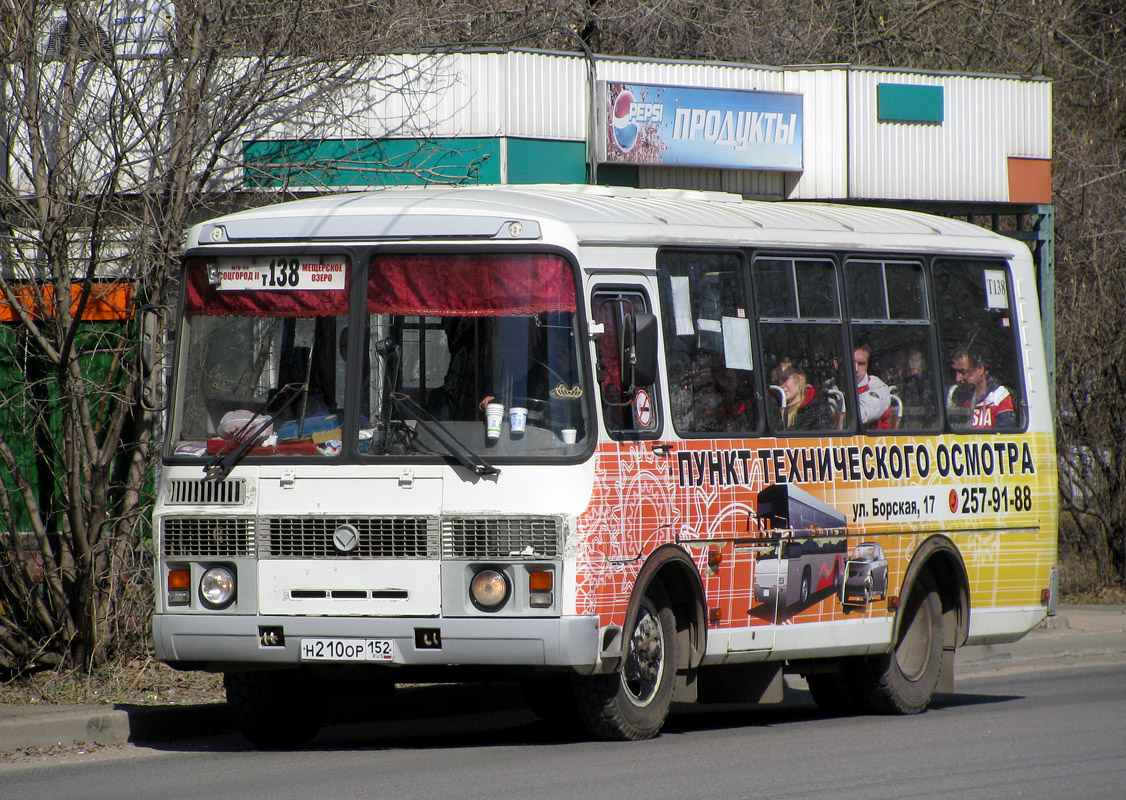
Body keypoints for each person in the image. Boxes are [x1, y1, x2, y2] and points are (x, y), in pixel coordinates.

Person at [949, 347, 1017, 429]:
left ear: (980, 369)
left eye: (963, 372)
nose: (958, 378)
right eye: (955, 372)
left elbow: (1006, 436)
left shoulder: (999, 397)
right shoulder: (956, 396)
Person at [771, 362, 833, 431]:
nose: (780, 385)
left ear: (800, 379)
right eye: (776, 382)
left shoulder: (818, 409)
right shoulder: (774, 410)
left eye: (785, 379)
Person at [854, 343, 891, 429]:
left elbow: (859, 416)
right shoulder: (829, 387)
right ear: (837, 363)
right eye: (850, 363)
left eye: (861, 364)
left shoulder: (878, 388)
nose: (856, 369)